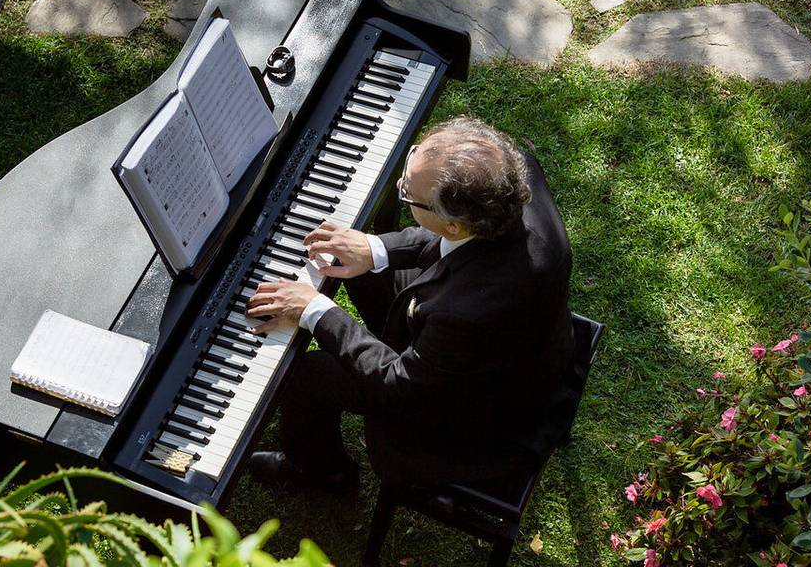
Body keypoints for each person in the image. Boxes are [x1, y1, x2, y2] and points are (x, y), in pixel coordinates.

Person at [245, 116, 576, 493]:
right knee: (356, 268)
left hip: (465, 417)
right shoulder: (513, 179)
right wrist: (376, 249)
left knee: (304, 376)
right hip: (502, 345)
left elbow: (398, 386)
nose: (401, 185)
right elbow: (455, 241)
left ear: (453, 224)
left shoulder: (464, 315)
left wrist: (316, 311)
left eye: (409, 194)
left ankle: (321, 474)